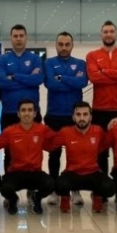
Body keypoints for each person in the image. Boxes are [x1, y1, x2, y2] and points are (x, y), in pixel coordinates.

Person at [43, 31, 88, 206]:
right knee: (54, 154)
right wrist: (71, 80)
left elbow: (82, 82)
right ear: (56, 45)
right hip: (54, 115)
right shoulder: (48, 63)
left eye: (67, 44)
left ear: (72, 45)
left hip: (74, 117)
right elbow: (50, 84)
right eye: (60, 44)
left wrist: (61, 78)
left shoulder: (80, 63)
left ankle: (75, 189)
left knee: (75, 154)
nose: (63, 48)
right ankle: (55, 190)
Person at [86, 20, 117, 175]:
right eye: (105, 32)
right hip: (99, 110)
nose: (108, 34)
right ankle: (103, 187)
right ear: (101, 34)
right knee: (101, 152)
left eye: (111, 31)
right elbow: (94, 77)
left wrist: (104, 71)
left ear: (116, 34)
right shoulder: (92, 56)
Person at [52, 101, 116, 213]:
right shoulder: (65, 132)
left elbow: (106, 144)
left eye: (85, 114)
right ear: (73, 117)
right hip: (72, 173)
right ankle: (65, 198)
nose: (82, 118)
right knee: (58, 184)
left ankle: (97, 196)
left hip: (93, 173)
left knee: (110, 187)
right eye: (78, 114)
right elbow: (50, 145)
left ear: (90, 117)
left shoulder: (98, 131)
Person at [0, 24, 44, 170]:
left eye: (21, 36)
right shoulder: (2, 60)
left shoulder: (35, 59)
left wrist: (14, 76)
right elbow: (2, 83)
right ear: (11, 38)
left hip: (32, 113)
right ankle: (9, 180)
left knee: (33, 150)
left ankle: (34, 181)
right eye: (15, 36)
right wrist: (28, 78)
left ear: (26, 38)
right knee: (9, 152)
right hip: (9, 113)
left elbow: (38, 80)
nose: (18, 39)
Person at [0, 99, 56, 215]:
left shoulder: (42, 130)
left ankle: (36, 198)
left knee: (50, 184)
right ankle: (13, 199)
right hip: (16, 173)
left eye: (30, 110)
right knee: (4, 188)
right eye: (23, 110)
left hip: (35, 173)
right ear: (18, 114)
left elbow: (58, 139)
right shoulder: (9, 132)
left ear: (34, 113)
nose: (27, 113)